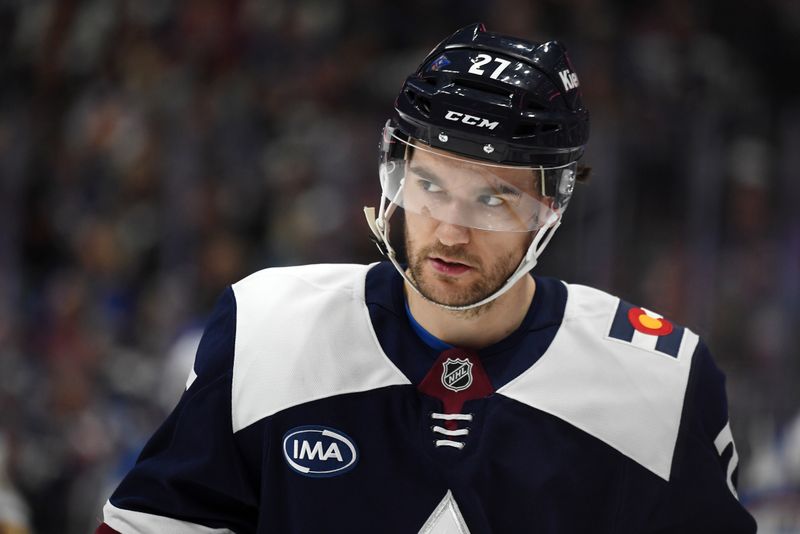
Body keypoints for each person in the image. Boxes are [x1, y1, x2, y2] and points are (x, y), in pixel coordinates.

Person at [97, 24, 757, 533]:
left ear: (551, 207)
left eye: (493, 200)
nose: (449, 230)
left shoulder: (659, 380)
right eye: (430, 184)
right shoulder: (266, 328)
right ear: (394, 172)